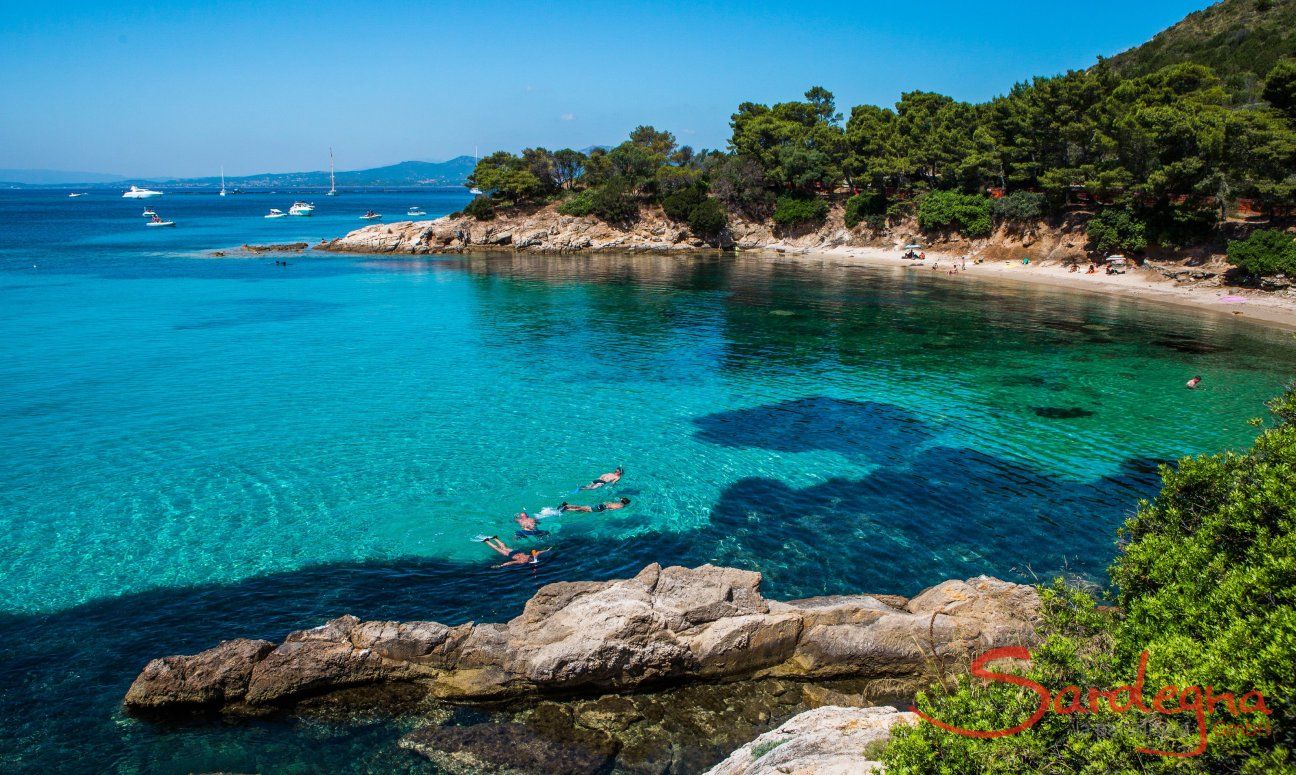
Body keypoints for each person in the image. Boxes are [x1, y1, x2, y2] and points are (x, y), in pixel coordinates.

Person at [480, 535, 548, 567]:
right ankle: (487, 541)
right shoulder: (522, 561)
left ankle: (495, 538)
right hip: (511, 555)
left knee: (504, 547)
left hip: (516, 552)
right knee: (497, 549)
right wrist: (501, 565)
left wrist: (547, 550)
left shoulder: (533, 556)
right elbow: (511, 562)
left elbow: (538, 552)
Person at [561, 497, 631, 514]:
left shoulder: (617, 502)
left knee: (581, 507)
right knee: (582, 510)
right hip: (601, 509)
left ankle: (567, 505)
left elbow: (608, 502)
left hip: (601, 505)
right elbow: (611, 509)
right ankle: (566, 509)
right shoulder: (621, 506)